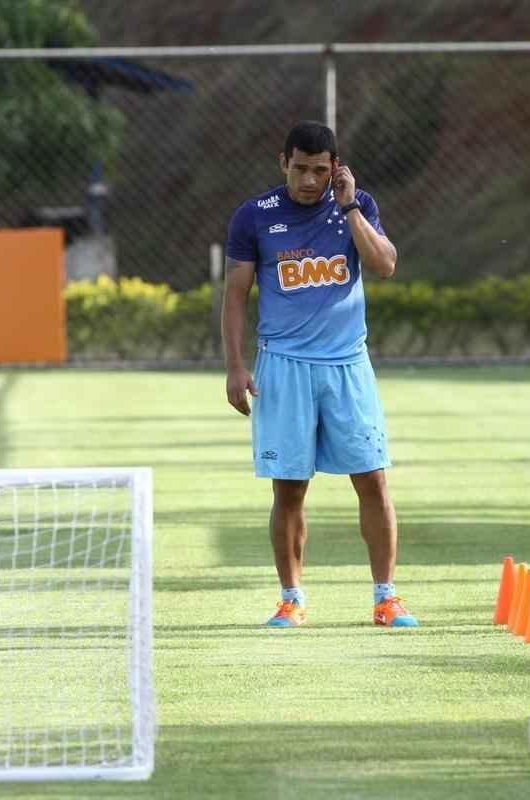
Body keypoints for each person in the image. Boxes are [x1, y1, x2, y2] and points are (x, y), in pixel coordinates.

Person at [222, 120, 418, 629]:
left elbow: (385, 265)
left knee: (373, 480)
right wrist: (236, 366)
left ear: (336, 169)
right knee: (288, 489)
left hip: (348, 366)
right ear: (283, 162)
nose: (309, 180)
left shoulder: (357, 206)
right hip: (283, 367)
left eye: (320, 170)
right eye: (301, 168)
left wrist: (350, 207)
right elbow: (235, 295)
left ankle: (386, 597)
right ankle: (291, 598)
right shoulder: (254, 217)